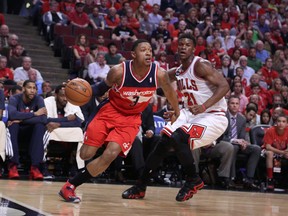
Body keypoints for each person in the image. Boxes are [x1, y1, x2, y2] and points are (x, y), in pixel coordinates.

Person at [58, 39, 180, 203]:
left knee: (111, 153)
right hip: (109, 111)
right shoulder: (118, 71)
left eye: (150, 50)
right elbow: (99, 89)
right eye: (144, 50)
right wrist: (75, 87)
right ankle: (91, 149)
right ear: (133, 54)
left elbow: (170, 93)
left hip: (130, 119)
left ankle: (70, 186)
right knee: (86, 154)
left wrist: (176, 111)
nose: (149, 52)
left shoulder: (159, 74)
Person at [122, 32, 229, 202]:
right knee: (162, 142)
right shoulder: (177, 71)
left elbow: (224, 86)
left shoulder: (201, 65)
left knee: (179, 138)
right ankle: (140, 186)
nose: (183, 48)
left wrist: (203, 106)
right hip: (190, 113)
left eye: (187, 45)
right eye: (181, 45)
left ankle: (193, 179)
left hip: (213, 115)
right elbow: (158, 81)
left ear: (194, 49)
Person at [7, 80, 47, 179]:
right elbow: (12, 115)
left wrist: (20, 120)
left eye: (34, 88)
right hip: (17, 131)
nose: (32, 90)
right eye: (29, 88)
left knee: (40, 126)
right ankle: (13, 166)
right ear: (24, 89)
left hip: (31, 131)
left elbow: (43, 119)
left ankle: (35, 167)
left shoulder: (39, 99)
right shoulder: (14, 98)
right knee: (12, 125)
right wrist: (34, 114)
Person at [220, 95, 261, 189]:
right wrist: (234, 141)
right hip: (225, 144)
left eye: (237, 103)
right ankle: (231, 178)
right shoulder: (222, 117)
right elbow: (220, 137)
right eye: (232, 103)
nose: (234, 105)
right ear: (228, 105)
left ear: (239, 106)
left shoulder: (242, 119)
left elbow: (241, 136)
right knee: (233, 147)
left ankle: (249, 179)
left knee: (256, 149)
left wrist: (243, 143)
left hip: (238, 144)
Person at [262, 114, 288, 191]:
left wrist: (285, 152)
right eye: (279, 121)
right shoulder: (270, 130)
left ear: (287, 124)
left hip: (282, 151)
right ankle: (270, 179)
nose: (281, 123)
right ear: (276, 123)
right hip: (270, 150)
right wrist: (282, 152)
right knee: (270, 153)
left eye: (283, 122)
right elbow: (268, 147)